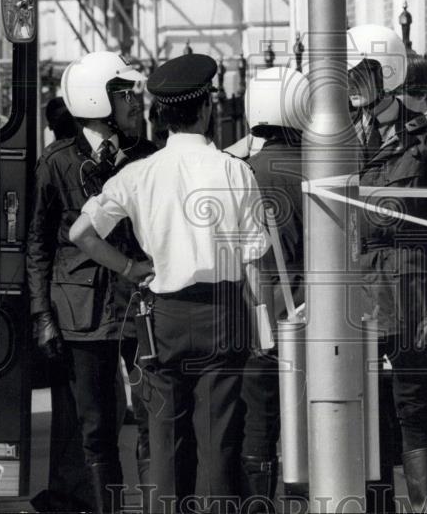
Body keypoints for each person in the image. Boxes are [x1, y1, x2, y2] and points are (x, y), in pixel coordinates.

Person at [69, 53, 269, 514]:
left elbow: (81, 233)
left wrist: (128, 268)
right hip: (222, 313)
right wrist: (264, 330)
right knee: (218, 442)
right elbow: (254, 261)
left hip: (162, 319)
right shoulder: (234, 171)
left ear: (161, 113)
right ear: (206, 109)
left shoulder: (139, 173)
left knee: (164, 442)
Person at [26, 51, 157, 514]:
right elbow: (38, 244)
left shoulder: (147, 156)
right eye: (123, 93)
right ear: (96, 100)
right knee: (96, 428)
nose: (135, 102)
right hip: (81, 313)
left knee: (152, 421)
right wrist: (42, 315)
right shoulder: (56, 163)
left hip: (140, 306)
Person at [347, 24, 427, 514]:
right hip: (355, 300)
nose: (350, 84)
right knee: (365, 417)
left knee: (416, 413)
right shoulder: (338, 137)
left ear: (388, 74)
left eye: (360, 73)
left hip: (410, 298)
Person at [238, 66, 310, 510]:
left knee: (259, 430)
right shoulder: (320, 170)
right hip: (313, 316)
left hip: (259, 317)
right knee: (310, 427)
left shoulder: (242, 172)